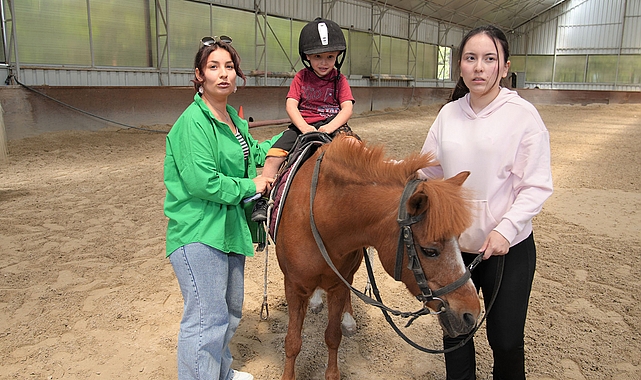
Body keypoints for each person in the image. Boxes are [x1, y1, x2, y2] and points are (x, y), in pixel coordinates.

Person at [418, 25, 553, 380]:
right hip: (455, 250)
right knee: (455, 334)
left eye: (489, 59)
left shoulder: (523, 116)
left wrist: (506, 231)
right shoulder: (448, 115)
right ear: (460, 67)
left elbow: (536, 185)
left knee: (505, 340)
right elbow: (429, 170)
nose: (479, 67)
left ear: (504, 67)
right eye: (471, 58)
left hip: (507, 250)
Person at [163, 35, 282, 380]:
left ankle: (220, 373)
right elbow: (203, 181)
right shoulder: (193, 123)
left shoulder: (231, 119)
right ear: (199, 75)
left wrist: (292, 136)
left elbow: (254, 154)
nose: (224, 74)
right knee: (206, 316)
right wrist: (252, 185)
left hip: (229, 229)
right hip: (199, 232)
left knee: (228, 312)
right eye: (213, 67)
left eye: (229, 66)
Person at [250, 17, 355, 222]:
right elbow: (291, 104)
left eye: (330, 57)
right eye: (317, 56)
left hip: (333, 125)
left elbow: (347, 108)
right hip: (302, 126)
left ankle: (361, 197)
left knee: (357, 150)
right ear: (307, 56)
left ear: (338, 57)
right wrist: (305, 127)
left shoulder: (339, 80)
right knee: (272, 157)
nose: (324, 63)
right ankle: (262, 199)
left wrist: (329, 128)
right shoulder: (301, 77)